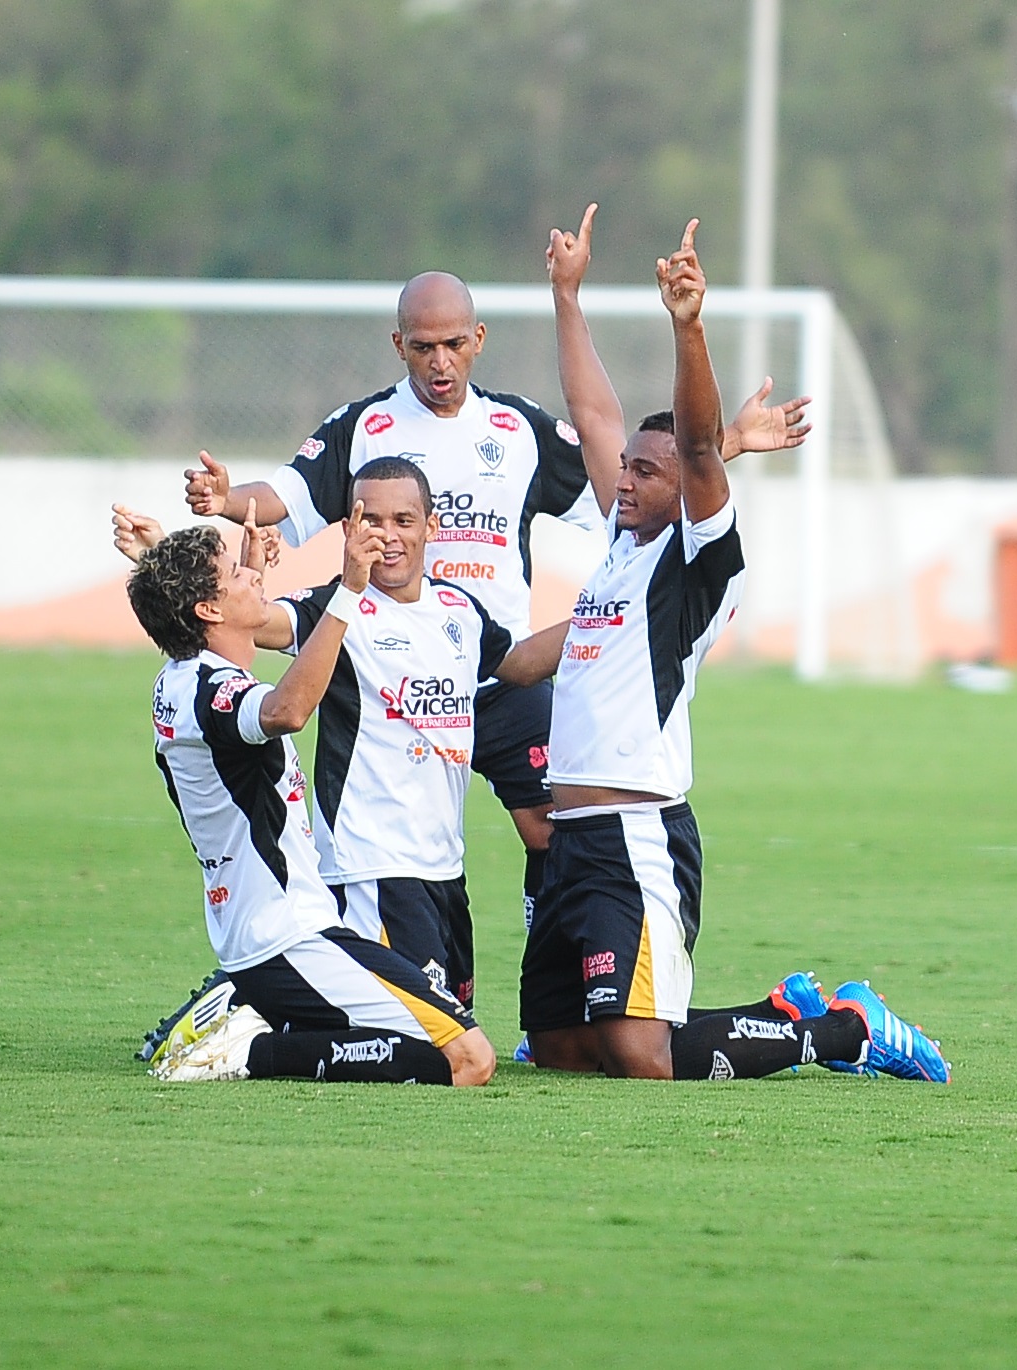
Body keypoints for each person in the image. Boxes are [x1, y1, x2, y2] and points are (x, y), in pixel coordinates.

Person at [179, 267, 812, 946]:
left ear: (478, 339)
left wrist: (727, 445)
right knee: (381, 837)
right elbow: (287, 494)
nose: (440, 361)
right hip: (390, 673)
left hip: (499, 667)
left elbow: (625, 475)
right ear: (399, 346)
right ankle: (333, 957)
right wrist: (225, 500)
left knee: (547, 824)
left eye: (452, 343)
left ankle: (553, 970)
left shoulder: (516, 429)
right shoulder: (365, 426)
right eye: (423, 347)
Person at [516, 214, 948, 1083]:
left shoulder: (696, 564)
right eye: (627, 468)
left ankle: (848, 1032)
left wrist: (689, 326)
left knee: (641, 1057)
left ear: (690, 493)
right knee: (564, 1053)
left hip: (636, 835)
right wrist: (567, 295)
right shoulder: (620, 545)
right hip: (571, 842)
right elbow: (595, 412)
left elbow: (704, 448)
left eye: (646, 473)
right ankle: (783, 1012)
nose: (624, 481)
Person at [114, 457, 565, 1022]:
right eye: (369, 520)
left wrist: (604, 619)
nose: (387, 536)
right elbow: (243, 621)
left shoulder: (458, 610)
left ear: (432, 526)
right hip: (368, 865)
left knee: (449, 1025)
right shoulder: (331, 608)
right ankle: (248, 1015)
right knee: (426, 1038)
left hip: (444, 865)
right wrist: (160, 561)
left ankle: (250, 1007)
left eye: (404, 520)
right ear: (348, 530)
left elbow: (519, 664)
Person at [123, 499, 496, 1085]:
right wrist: (349, 592)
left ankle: (244, 1016)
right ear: (208, 608)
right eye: (236, 575)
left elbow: (223, 640)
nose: (254, 577)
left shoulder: (186, 677)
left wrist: (228, 574)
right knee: (470, 1060)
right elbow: (288, 710)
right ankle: (243, 1052)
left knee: (439, 1049)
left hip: (268, 936)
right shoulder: (212, 690)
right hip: (290, 936)